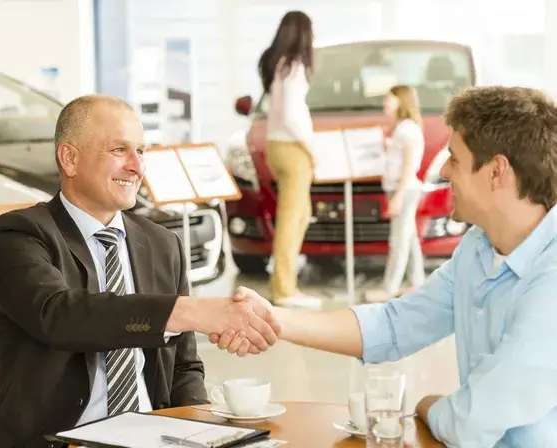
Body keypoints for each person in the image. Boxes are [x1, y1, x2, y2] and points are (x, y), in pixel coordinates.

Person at [214, 86, 557, 447]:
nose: (443, 170)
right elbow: (395, 325)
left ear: (496, 172)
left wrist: (428, 406)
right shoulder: (477, 247)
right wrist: (273, 319)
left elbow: (471, 419)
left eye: (454, 159)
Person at [0, 94, 279, 448]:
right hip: (56, 440)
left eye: (142, 151)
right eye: (119, 150)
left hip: (155, 436)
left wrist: (200, 433)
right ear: (69, 158)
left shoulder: (161, 243)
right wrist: (191, 312)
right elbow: (60, 316)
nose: (137, 166)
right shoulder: (17, 234)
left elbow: (183, 367)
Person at [258, 10, 320, 309]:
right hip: (293, 147)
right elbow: (292, 116)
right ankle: (284, 289)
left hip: (276, 145)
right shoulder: (293, 67)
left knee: (300, 214)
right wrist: (311, 149)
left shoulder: (280, 65)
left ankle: (284, 284)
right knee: (292, 218)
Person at [366, 85, 426, 302]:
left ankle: (389, 288)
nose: (385, 105)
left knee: (399, 240)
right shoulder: (402, 128)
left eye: (389, 100)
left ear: (401, 101)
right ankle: (418, 282)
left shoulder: (407, 129)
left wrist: (398, 197)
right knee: (409, 238)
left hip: (405, 190)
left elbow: (408, 167)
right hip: (400, 190)